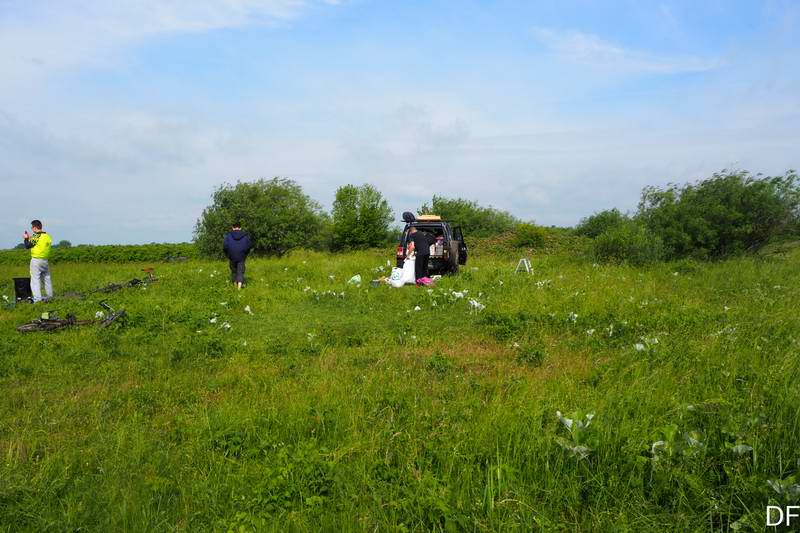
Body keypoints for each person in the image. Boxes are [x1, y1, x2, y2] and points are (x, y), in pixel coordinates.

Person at [23, 219, 53, 303]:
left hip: (36, 261)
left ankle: (37, 300)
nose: (32, 229)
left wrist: (25, 239)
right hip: (45, 260)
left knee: (35, 281)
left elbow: (27, 246)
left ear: (35, 227)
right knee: (47, 279)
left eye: (32, 227)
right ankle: (50, 297)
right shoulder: (47, 236)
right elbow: (37, 243)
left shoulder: (36, 236)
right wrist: (30, 238)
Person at [223, 222, 252, 289]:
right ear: (240, 228)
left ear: (233, 228)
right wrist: (245, 253)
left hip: (231, 256)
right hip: (241, 256)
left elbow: (225, 246)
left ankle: (235, 285)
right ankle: (239, 288)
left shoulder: (228, 235)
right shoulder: (245, 235)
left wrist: (228, 255)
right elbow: (249, 245)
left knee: (233, 271)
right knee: (240, 271)